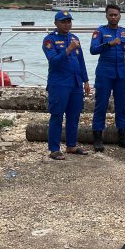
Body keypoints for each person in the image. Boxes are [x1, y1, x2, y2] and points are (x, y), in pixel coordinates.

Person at [89, 4, 125, 151]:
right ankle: (97, 138)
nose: (113, 17)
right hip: (104, 73)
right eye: (110, 15)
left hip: (121, 75)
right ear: (106, 16)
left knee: (121, 106)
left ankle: (123, 136)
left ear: (120, 16)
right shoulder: (100, 31)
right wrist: (109, 44)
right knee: (101, 105)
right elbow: (93, 50)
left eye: (115, 15)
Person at [42, 11, 91, 160]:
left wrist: (86, 80)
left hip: (75, 83)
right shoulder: (49, 40)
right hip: (59, 84)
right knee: (57, 115)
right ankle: (54, 149)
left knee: (74, 115)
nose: (67, 24)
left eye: (69, 21)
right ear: (56, 23)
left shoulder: (74, 38)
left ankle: (71, 145)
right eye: (63, 21)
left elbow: (81, 61)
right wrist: (68, 49)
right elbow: (53, 60)